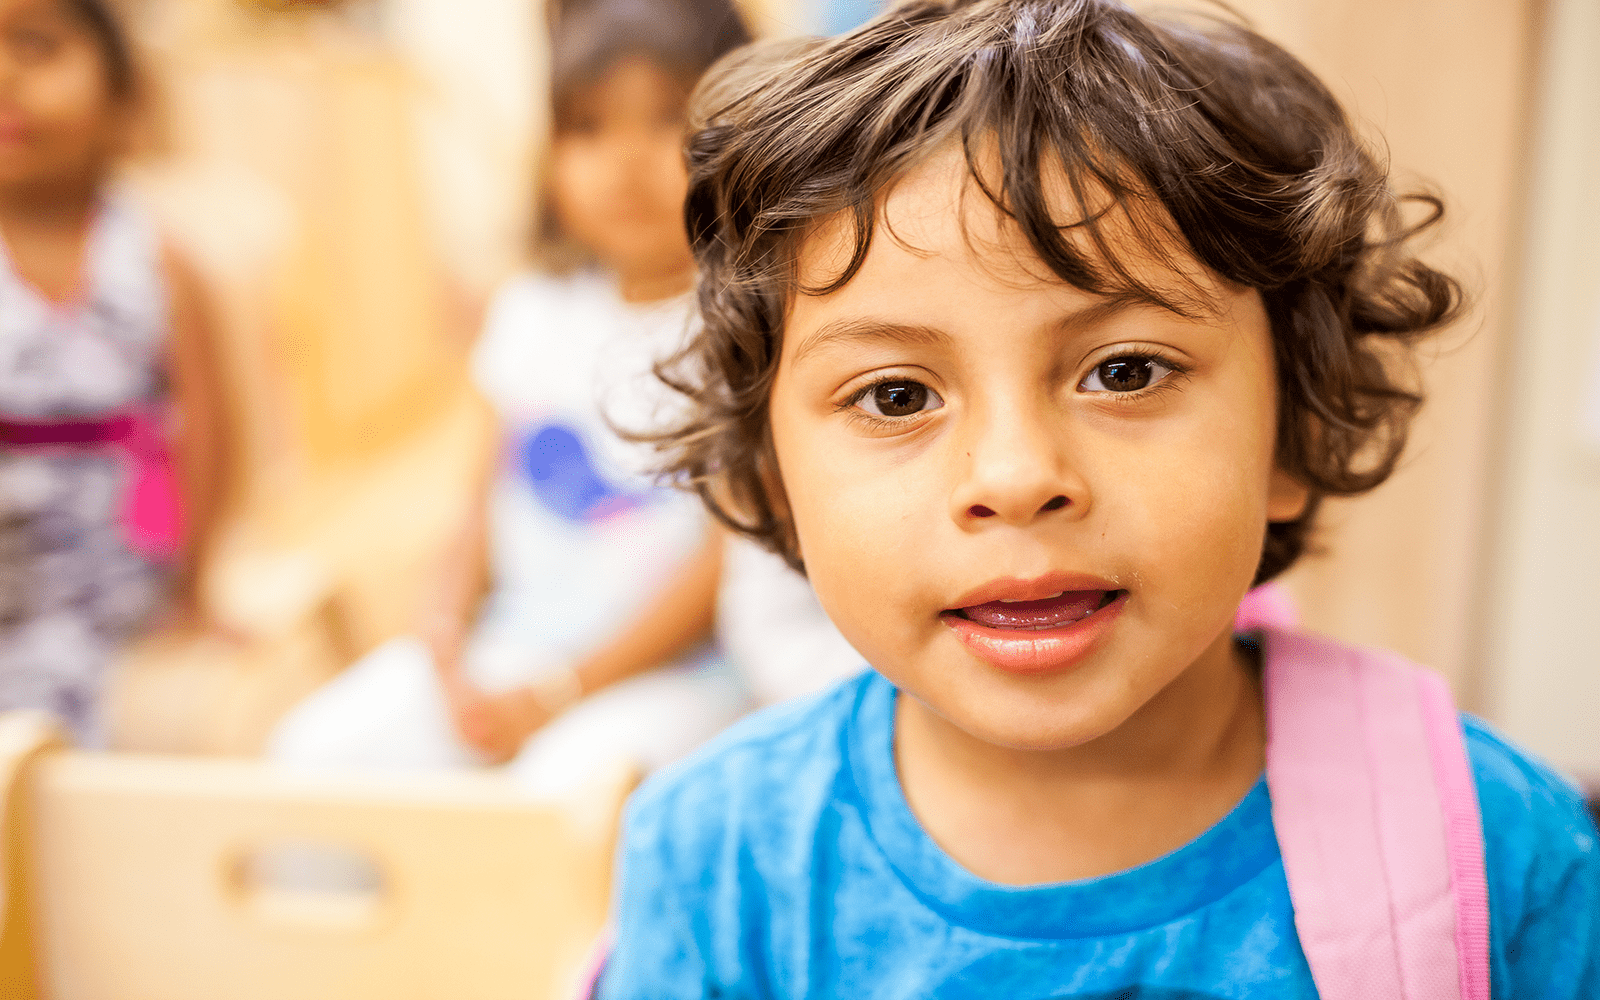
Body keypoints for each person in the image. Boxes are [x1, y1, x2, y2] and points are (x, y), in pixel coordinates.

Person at [598, 0, 1600, 995]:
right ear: (777, 485)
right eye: (895, 395)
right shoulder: (713, 863)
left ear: (1291, 432)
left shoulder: (1497, 848)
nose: (1016, 477)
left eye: (1124, 371)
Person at [267, 0, 754, 795]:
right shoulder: (532, 308)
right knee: (314, 752)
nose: (625, 159)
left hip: (682, 677)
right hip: (519, 646)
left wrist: (562, 692)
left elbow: (722, 565)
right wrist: (445, 644)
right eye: (589, 127)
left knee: (567, 790)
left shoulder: (744, 323)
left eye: (667, 119)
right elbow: (474, 511)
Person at [0, 0, 226, 746]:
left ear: (122, 90)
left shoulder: (159, 259)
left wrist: (195, 590)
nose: (5, 76)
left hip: (124, 600)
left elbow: (212, 429)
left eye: (35, 46)